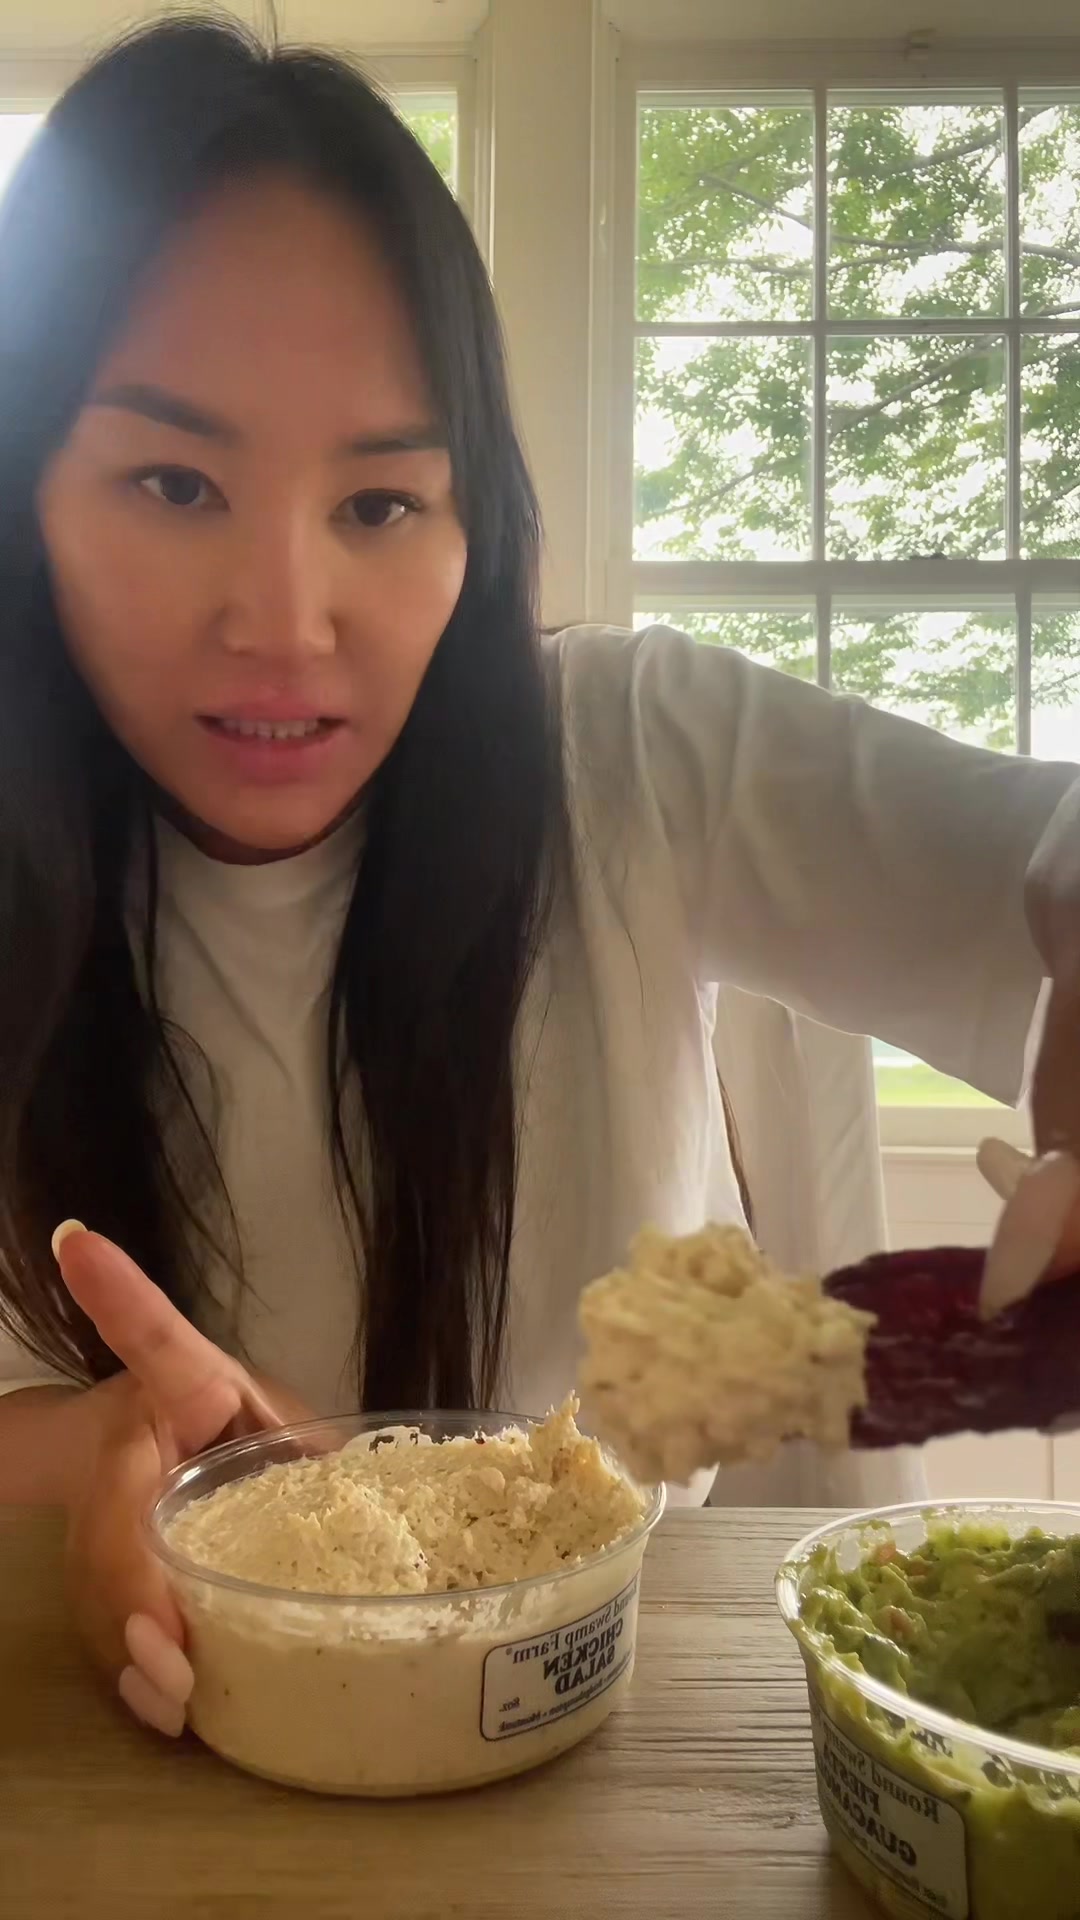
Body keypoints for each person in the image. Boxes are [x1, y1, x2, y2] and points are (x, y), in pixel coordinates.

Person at [0, 17, 1077, 1741]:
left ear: (473, 525)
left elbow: (1037, 854)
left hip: (629, 1729)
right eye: (174, 481)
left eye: (379, 504)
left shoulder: (634, 754)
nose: (285, 622)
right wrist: (89, 1446)